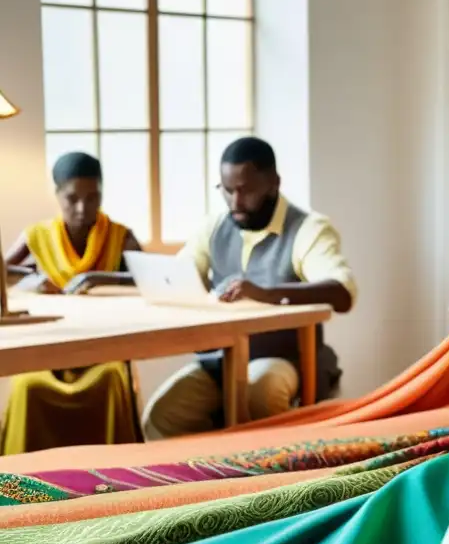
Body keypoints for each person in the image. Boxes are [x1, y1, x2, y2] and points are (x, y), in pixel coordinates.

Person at [141, 137, 357, 439]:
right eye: (227, 191)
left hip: (287, 357)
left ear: (273, 183)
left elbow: (341, 293)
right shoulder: (214, 226)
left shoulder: (309, 229)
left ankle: (278, 481)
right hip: (223, 358)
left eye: (246, 191)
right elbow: (179, 276)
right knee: (163, 414)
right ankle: (207, 481)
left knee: (258, 393)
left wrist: (266, 294)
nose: (235, 202)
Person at [1, 152, 143, 454]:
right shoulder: (38, 236)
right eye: (72, 198)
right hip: (48, 349)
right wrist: (30, 280)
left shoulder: (120, 236)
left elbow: (148, 279)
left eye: (93, 198)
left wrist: (105, 279)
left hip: (103, 350)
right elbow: (3, 272)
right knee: (28, 385)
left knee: (111, 379)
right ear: (57, 195)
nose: (82, 208)